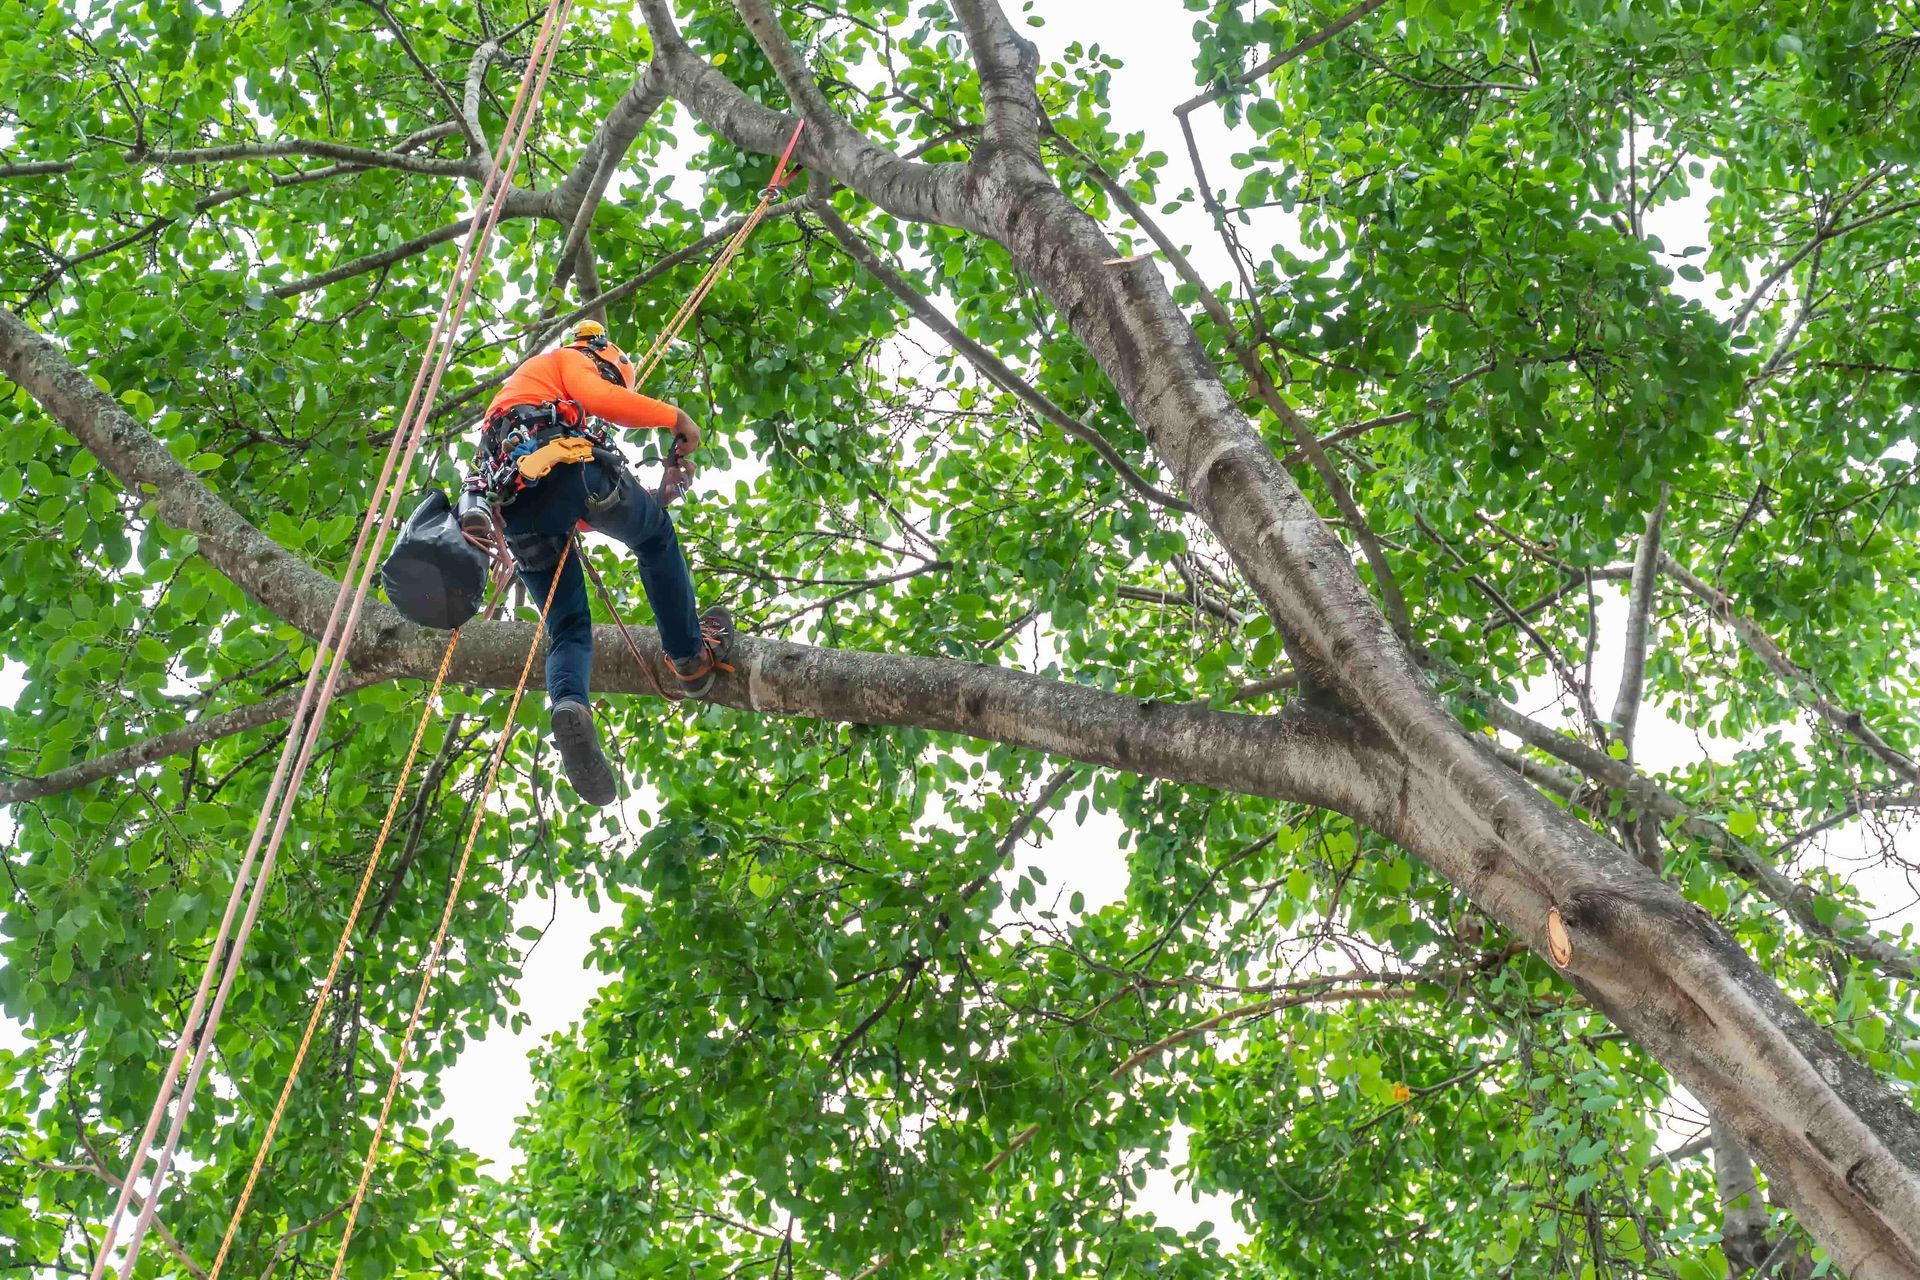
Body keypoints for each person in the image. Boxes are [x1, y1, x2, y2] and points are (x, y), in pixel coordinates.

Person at [461, 320, 734, 806]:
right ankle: (689, 658)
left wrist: (656, 495)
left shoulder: (520, 405)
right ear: (604, 359)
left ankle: (570, 707)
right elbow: (602, 400)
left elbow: (571, 509)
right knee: (656, 541)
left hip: (520, 510)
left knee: (567, 629)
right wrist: (677, 418)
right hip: (571, 473)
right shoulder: (570, 361)